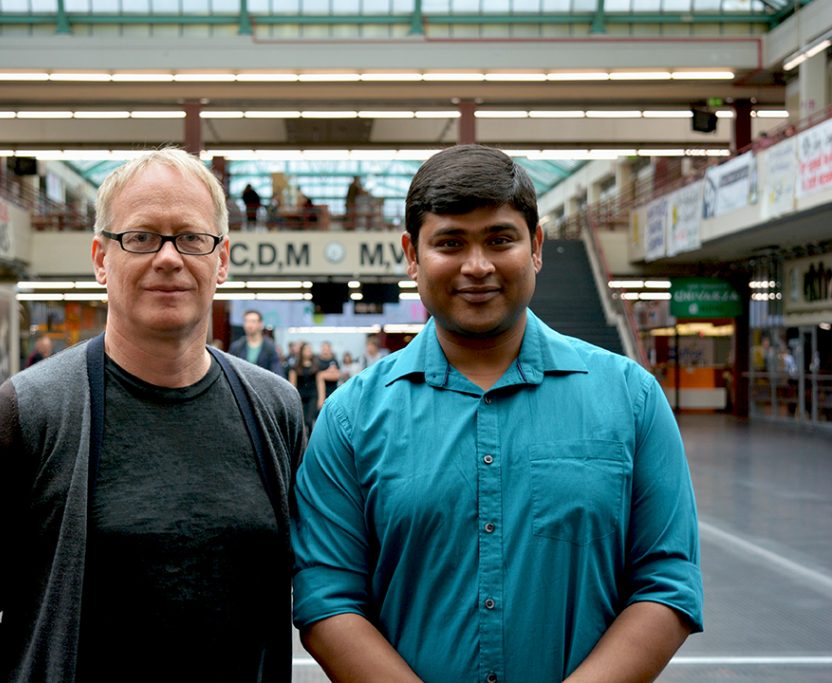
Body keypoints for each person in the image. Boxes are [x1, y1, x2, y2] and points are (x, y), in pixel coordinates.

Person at [292, 145, 703, 683]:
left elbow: (666, 579)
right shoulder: (350, 418)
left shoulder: (631, 400)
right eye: (450, 243)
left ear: (535, 246)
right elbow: (327, 596)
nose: (478, 265)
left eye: (500, 239)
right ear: (411, 255)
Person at [0, 148, 304, 682]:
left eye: (192, 238)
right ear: (101, 258)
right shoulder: (27, 413)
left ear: (221, 260)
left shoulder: (274, 407)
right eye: (141, 237)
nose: (168, 257)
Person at [228, 309, 284, 376]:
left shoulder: (270, 347)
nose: (249, 325)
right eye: (247, 321)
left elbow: (277, 371)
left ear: (261, 324)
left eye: (253, 321)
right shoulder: (237, 347)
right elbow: (230, 370)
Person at [287, 341, 321, 433]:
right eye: (307, 350)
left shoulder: (316, 365)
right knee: (301, 421)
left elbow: (319, 383)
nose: (309, 351)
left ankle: (310, 441)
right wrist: (292, 399)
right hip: (300, 395)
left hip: (312, 395)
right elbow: (292, 384)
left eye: (310, 350)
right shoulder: (295, 366)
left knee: (309, 421)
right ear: (302, 351)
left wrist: (321, 399)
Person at [315, 341, 341, 407]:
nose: (326, 351)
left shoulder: (334, 360)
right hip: (319, 393)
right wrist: (329, 371)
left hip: (333, 390)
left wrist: (324, 374)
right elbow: (319, 376)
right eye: (324, 349)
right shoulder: (317, 361)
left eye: (327, 349)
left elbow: (337, 375)